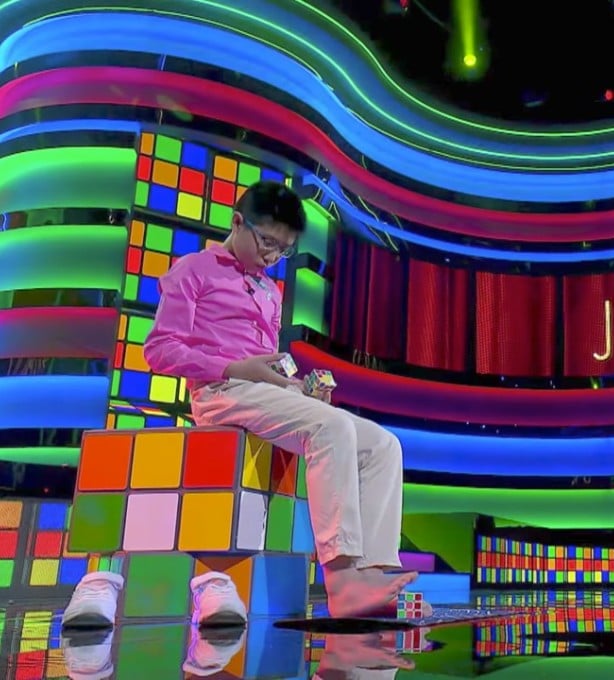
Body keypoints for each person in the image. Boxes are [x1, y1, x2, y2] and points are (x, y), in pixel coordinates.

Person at [61, 181, 425, 628]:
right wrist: (237, 368)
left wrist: (302, 393)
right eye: (267, 241)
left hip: (265, 393)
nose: (273, 256)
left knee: (384, 444)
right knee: (333, 429)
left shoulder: (270, 293)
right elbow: (158, 350)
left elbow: (269, 363)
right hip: (221, 393)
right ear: (237, 222)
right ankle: (342, 578)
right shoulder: (193, 270)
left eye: (284, 249)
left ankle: (374, 571)